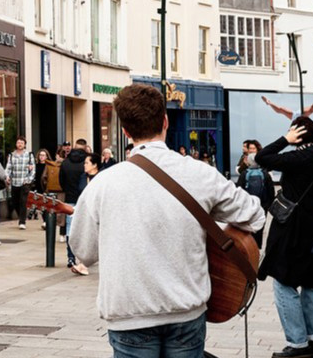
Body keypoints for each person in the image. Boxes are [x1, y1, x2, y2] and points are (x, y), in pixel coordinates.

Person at [69, 84, 265, 357]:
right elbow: (254, 215)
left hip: (129, 314)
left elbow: (83, 252)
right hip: (186, 310)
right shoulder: (199, 173)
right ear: (165, 121)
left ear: (125, 130)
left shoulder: (102, 184)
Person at [256, 118, 313, 357]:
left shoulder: (299, 158)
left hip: (294, 230)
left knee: (283, 281)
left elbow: (262, 157)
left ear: (296, 134)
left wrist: (284, 141)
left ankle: (297, 342)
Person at [59, 139, 94, 275]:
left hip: (69, 198)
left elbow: (61, 181)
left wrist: (68, 190)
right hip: (83, 199)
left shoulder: (65, 163)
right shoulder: (86, 163)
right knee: (84, 230)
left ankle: (70, 257)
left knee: (69, 229)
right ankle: (82, 260)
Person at [237, 144, 277, 247]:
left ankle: (249, 245)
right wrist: (268, 204)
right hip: (262, 205)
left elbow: (239, 189)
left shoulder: (244, 174)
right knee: (260, 227)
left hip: (248, 204)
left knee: (248, 225)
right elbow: (271, 191)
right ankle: (258, 247)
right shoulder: (265, 173)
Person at [6, 138, 34, 230]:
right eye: (18, 142)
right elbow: (8, 168)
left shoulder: (29, 155)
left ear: (25, 145)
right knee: (15, 201)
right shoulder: (11, 155)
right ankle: (21, 216)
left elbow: (33, 169)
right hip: (14, 181)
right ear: (16, 144)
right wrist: (7, 177)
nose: (20, 144)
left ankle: (22, 221)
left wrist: (29, 179)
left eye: (22, 143)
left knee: (23, 201)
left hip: (24, 182)